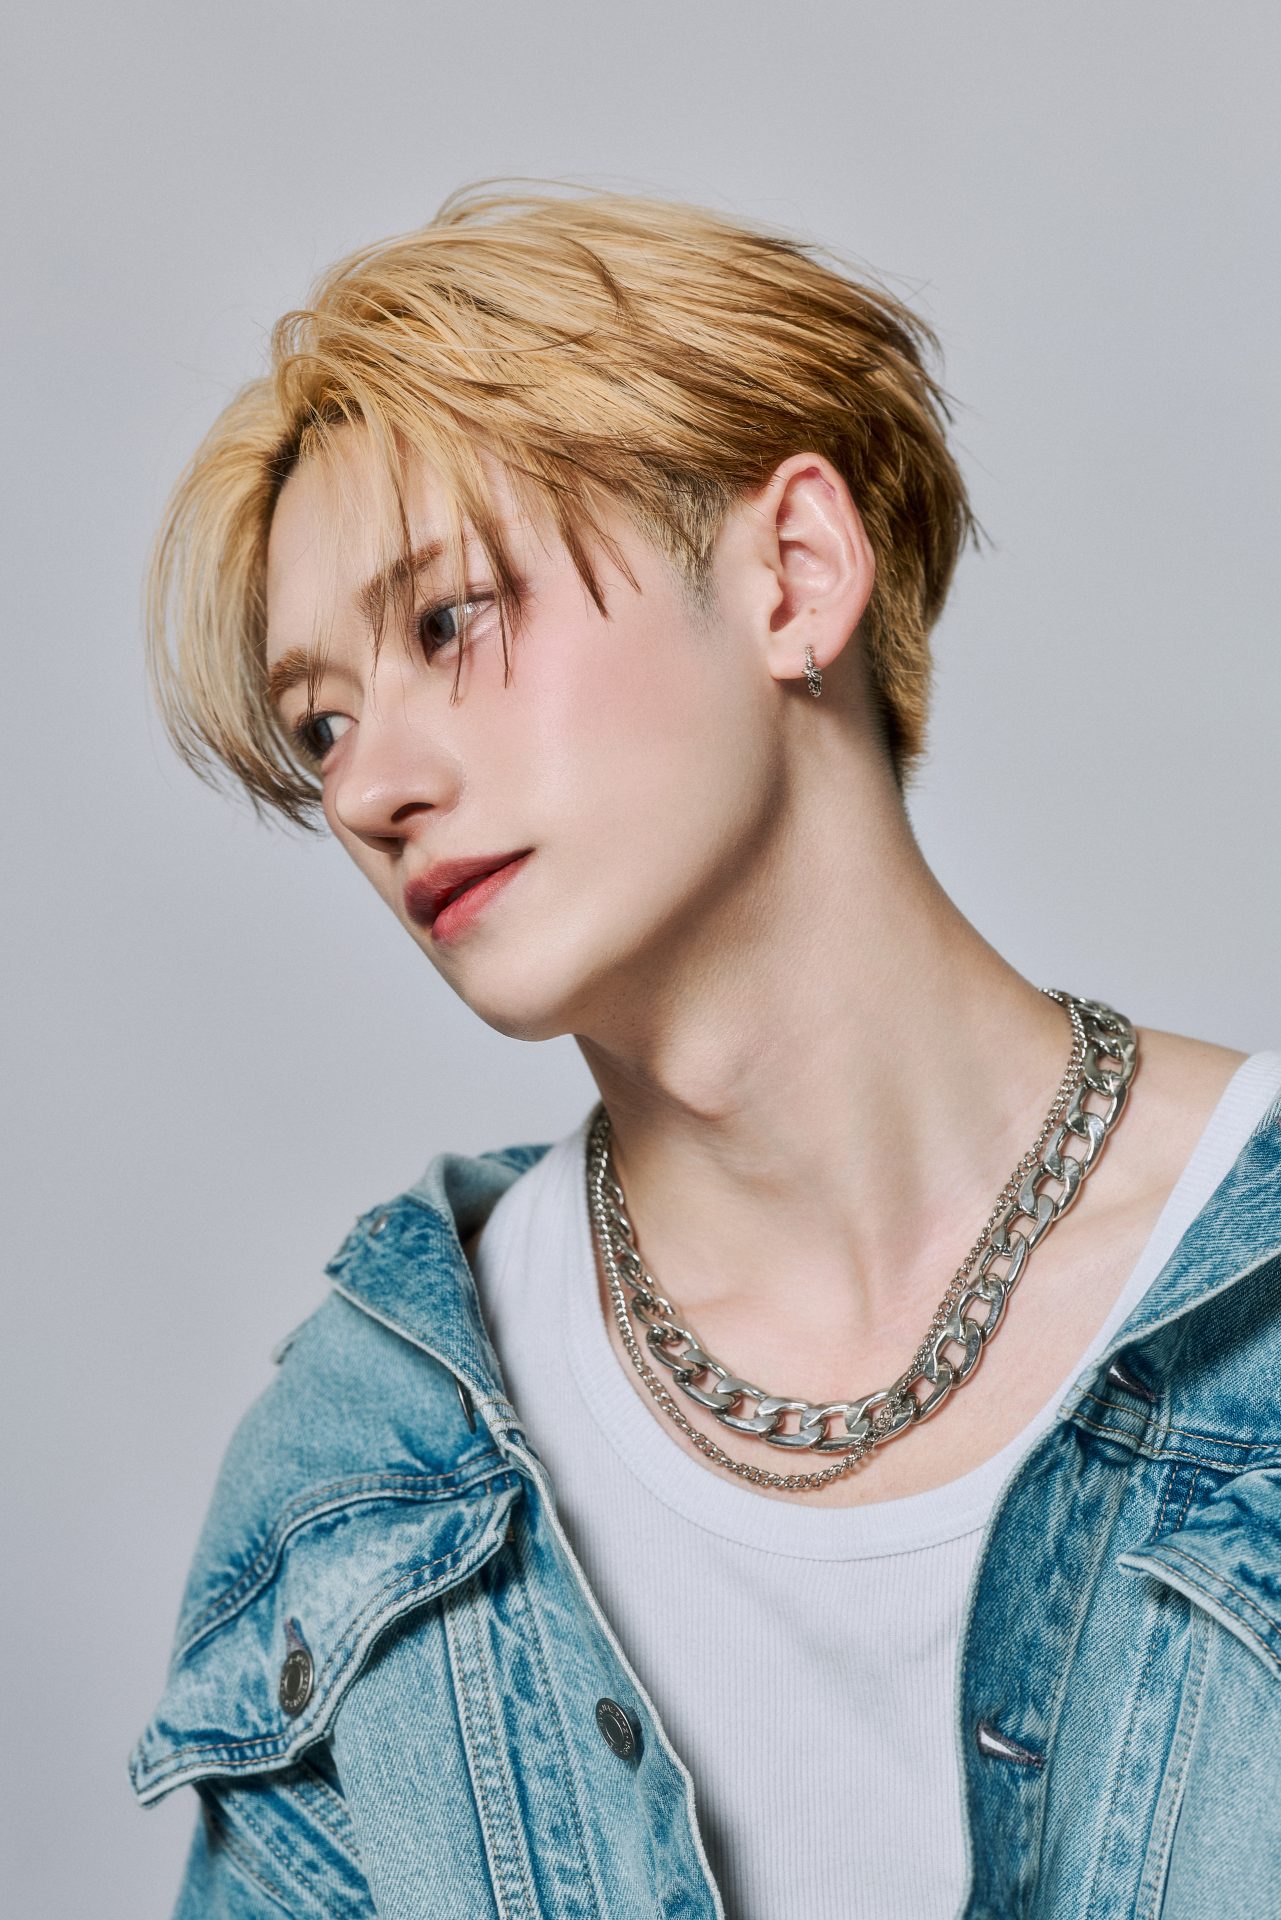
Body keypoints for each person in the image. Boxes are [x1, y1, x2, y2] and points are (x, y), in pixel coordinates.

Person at [128, 183, 1281, 1920]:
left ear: (792, 576)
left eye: (447, 622)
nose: (371, 790)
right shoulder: (366, 1462)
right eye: (322, 726)